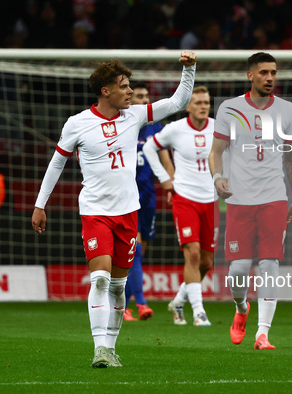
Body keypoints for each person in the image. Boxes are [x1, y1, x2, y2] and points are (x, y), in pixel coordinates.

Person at [31, 51, 197, 368]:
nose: (130, 91)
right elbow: (57, 164)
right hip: (94, 212)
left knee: (119, 287)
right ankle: (99, 350)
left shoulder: (134, 116)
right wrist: (41, 205)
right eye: (123, 86)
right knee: (100, 280)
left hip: (128, 212)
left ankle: (111, 347)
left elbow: (177, 102)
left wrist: (189, 69)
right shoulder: (77, 124)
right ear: (106, 90)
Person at [210, 52, 292, 349]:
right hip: (239, 199)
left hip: (274, 197)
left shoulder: (287, 110)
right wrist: (217, 177)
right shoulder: (230, 108)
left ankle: (263, 333)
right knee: (238, 270)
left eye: (273, 72)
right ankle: (241, 309)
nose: (270, 77)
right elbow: (217, 151)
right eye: (263, 72)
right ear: (250, 76)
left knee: (269, 264)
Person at [143, 86, 217, 326]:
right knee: (192, 254)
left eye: (206, 102)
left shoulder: (219, 128)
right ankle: (198, 312)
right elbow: (148, 148)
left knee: (206, 263)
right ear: (188, 106)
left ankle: (178, 301)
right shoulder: (175, 129)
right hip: (184, 197)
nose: (203, 106)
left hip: (211, 200)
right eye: (198, 103)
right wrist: (164, 178)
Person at [122, 84, 172, 322]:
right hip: (127, 196)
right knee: (136, 250)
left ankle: (124, 306)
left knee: (140, 253)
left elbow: (165, 159)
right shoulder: (124, 125)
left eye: (146, 97)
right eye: (138, 97)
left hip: (149, 196)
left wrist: (172, 185)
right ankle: (140, 303)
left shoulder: (155, 128)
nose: (144, 100)